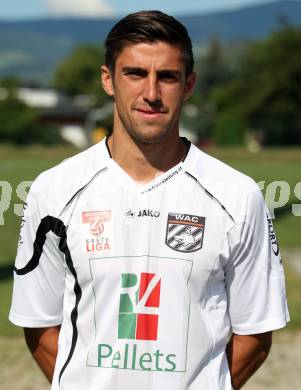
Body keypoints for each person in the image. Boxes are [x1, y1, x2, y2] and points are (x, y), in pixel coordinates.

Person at [9, 10, 289, 390]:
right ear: (108, 79)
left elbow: (255, 337)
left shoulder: (238, 196)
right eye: (135, 73)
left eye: (168, 77)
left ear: (189, 84)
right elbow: (39, 324)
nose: (152, 93)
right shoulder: (53, 190)